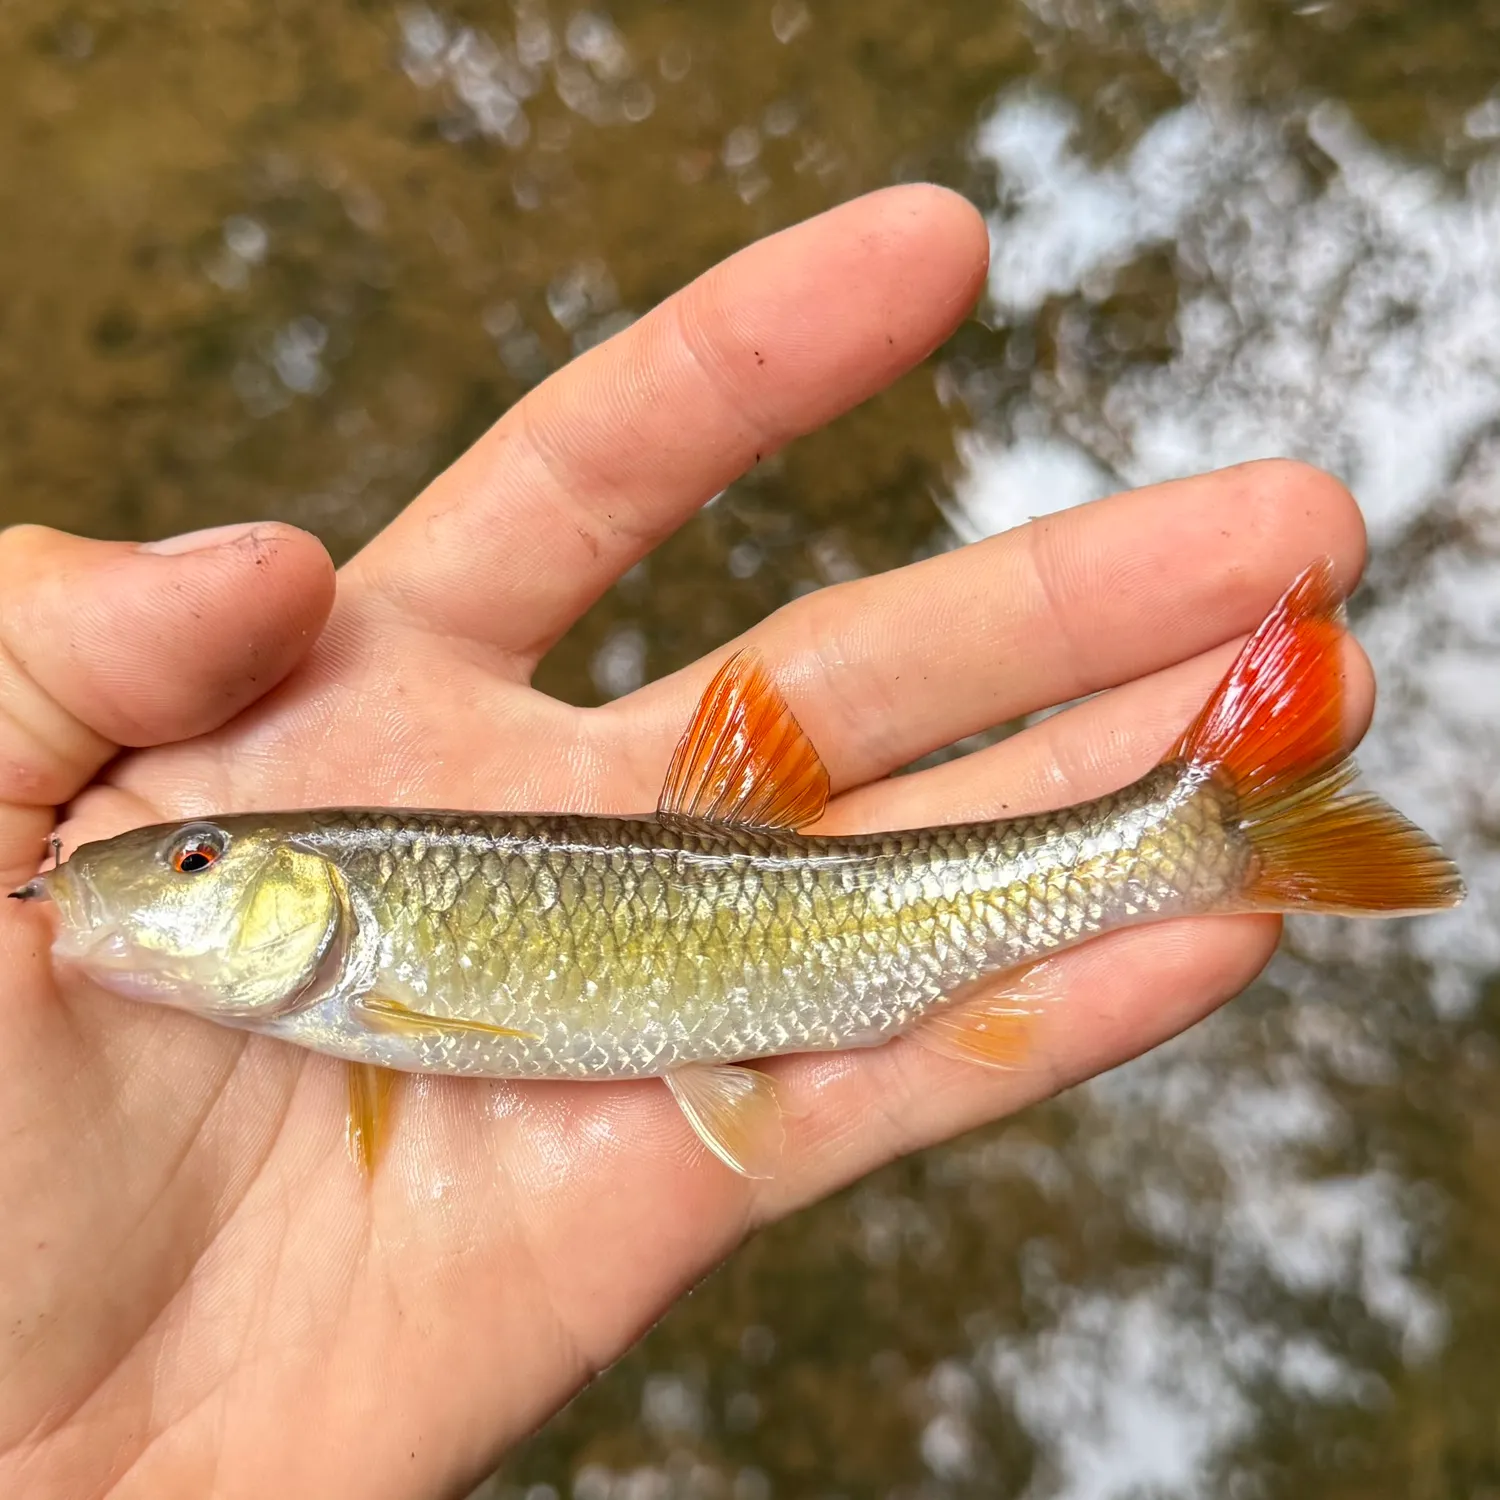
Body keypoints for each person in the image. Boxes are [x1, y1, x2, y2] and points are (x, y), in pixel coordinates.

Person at [0, 186, 1367, 1498]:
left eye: (198, 863)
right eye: (197, 859)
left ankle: (1194, 827)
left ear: (307, 897)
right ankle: (1197, 831)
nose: (168, 872)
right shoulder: (334, 1012)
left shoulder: (354, 1000)